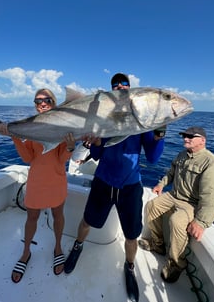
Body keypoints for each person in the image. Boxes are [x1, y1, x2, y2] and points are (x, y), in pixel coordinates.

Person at [64, 73, 166, 302]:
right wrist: (96, 143)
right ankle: (77, 247)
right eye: (115, 85)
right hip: (103, 181)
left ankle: (130, 267)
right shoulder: (103, 117)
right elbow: (97, 154)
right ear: (111, 90)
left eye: (124, 84)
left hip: (130, 185)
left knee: (132, 235)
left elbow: (152, 158)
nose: (120, 86)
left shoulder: (141, 119)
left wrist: (160, 136)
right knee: (87, 221)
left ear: (130, 89)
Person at [0, 88, 76, 282]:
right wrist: (14, 136)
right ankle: (26, 252)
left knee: (58, 215)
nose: (42, 103)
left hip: (56, 181)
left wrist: (71, 147)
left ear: (53, 103)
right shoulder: (31, 126)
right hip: (36, 182)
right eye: (38, 100)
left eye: (47, 100)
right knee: (31, 218)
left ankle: (57, 247)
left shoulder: (63, 124)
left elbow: (61, 160)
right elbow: (28, 157)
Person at [139, 126, 214, 284]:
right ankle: (158, 244)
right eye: (184, 136)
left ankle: (176, 264)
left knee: (176, 221)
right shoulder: (182, 155)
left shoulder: (211, 163)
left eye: (191, 136)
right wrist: (161, 184)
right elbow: (171, 173)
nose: (186, 138)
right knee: (151, 206)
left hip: (191, 204)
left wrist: (201, 222)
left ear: (202, 141)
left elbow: (211, 197)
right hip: (174, 195)